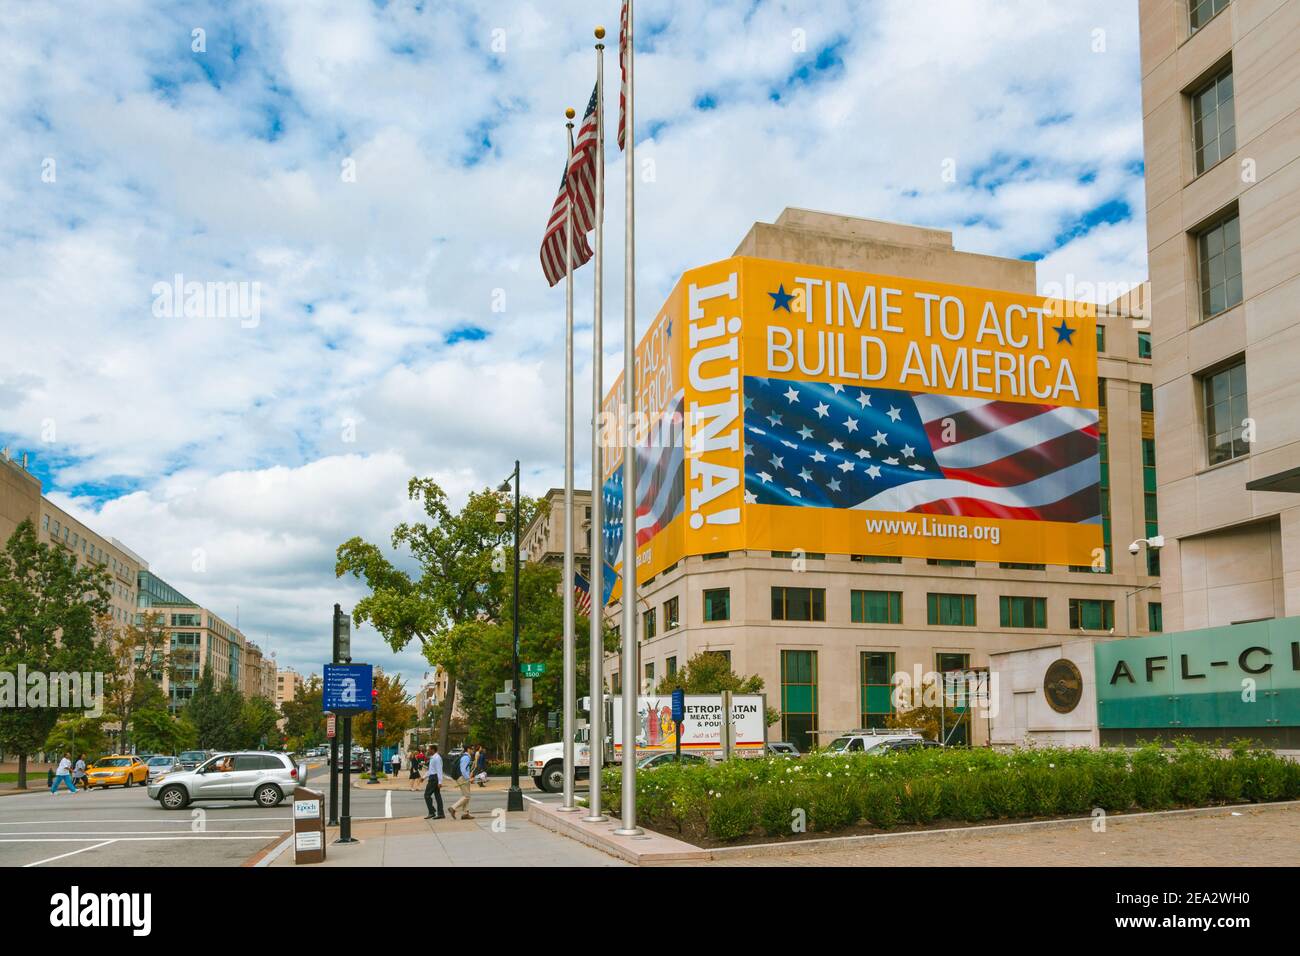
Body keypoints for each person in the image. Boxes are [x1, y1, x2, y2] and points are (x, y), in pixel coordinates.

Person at [448, 745, 474, 819]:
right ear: (468, 749)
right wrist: (468, 778)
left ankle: (466, 813)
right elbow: (463, 769)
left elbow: (465, 769)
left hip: (461, 777)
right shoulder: (466, 757)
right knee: (467, 796)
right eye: (472, 749)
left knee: (466, 795)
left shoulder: (464, 756)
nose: (473, 750)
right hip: (462, 778)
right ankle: (453, 808)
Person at [422, 744, 445, 819]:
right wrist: (424, 777)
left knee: (427, 795)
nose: (428, 750)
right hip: (433, 777)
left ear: (433, 750)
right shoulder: (433, 758)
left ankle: (432, 812)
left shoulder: (437, 758)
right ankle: (440, 813)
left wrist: (440, 782)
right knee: (437, 796)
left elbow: (439, 770)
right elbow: (430, 770)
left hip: (434, 779)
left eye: (429, 749)